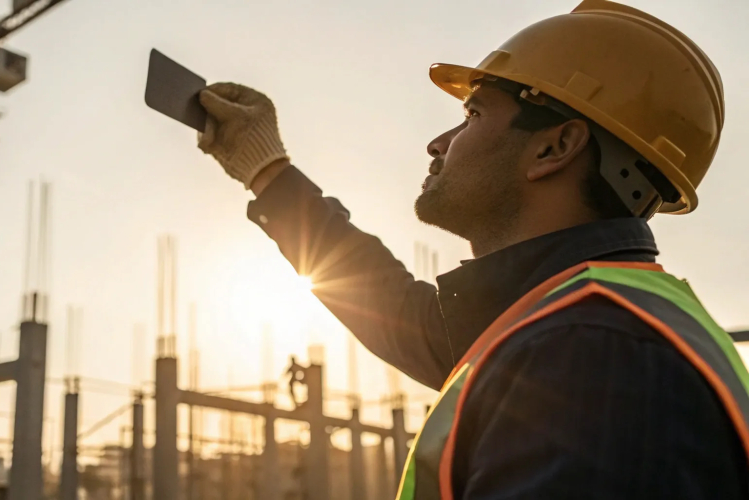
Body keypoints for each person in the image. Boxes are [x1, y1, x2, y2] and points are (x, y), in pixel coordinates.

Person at [193, 1, 749, 499]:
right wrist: (267, 170)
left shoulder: (592, 351)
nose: (438, 144)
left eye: (474, 115)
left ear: (555, 147)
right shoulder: (569, 323)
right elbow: (395, 310)